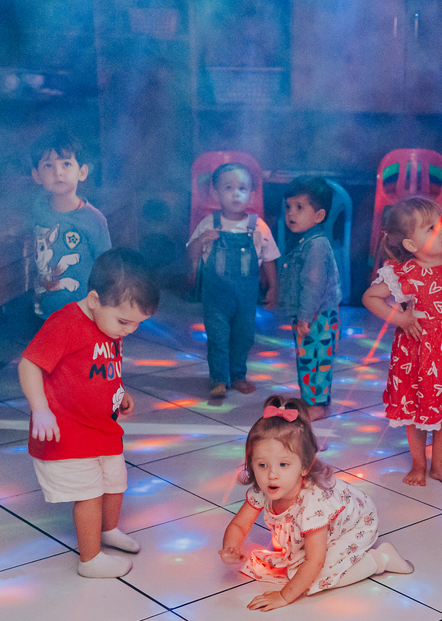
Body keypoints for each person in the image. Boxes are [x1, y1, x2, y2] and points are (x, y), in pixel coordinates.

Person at [18, 248, 159, 578]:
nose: (128, 330)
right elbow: (29, 365)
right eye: (124, 321)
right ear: (94, 300)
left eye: (137, 324)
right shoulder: (66, 324)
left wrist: (119, 391)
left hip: (101, 428)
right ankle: (90, 559)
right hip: (68, 431)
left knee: (115, 484)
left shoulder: (109, 326)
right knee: (90, 496)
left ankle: (108, 531)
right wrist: (40, 410)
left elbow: (98, 368)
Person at [219, 396, 414, 610]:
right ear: (251, 464)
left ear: (304, 467)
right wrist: (231, 546)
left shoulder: (313, 503)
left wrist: (284, 596)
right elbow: (239, 525)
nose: (272, 475)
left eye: (284, 464)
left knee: (313, 578)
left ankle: (381, 558)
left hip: (358, 523)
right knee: (296, 569)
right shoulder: (260, 489)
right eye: (262, 465)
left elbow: (315, 561)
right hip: (323, 525)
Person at [362, 197, 442, 490]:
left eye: (441, 222)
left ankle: (439, 466)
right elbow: (370, 298)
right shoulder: (405, 272)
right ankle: (419, 464)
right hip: (417, 354)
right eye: (430, 228)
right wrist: (401, 319)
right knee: (416, 410)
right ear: (410, 245)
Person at [186, 162, 280, 400]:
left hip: (246, 298)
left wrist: (273, 288)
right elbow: (191, 254)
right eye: (228, 188)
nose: (236, 193)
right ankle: (218, 378)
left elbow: (269, 259)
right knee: (217, 336)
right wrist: (201, 241)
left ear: (252, 194)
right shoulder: (209, 223)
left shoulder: (258, 226)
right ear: (215, 193)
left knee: (244, 336)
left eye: (242, 188)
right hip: (216, 296)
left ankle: (238, 375)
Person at [277, 176, 340, 420]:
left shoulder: (315, 245)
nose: (291, 214)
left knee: (317, 360)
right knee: (307, 359)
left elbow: (313, 283)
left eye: (299, 208)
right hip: (311, 314)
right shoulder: (304, 240)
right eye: (288, 207)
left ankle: (318, 405)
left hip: (318, 316)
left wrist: (304, 316)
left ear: (319, 215)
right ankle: (310, 400)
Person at [30, 130, 111, 319]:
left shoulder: (94, 219)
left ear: (82, 172)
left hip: (84, 315)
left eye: (66, 164)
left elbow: (107, 267)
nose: (58, 172)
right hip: (46, 314)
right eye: (48, 166)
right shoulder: (37, 210)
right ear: (37, 175)